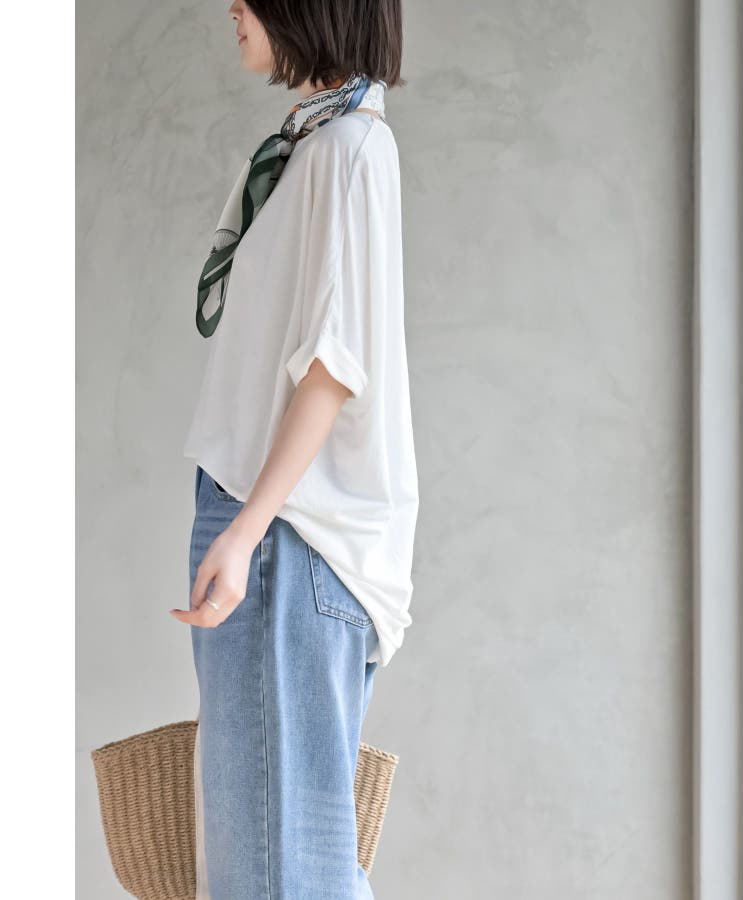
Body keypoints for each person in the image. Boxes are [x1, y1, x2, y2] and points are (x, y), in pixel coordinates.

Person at [169, 1, 418, 897]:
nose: (233, 6)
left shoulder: (351, 149)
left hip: (288, 533)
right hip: (266, 523)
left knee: (278, 875)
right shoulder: (311, 144)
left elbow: (333, 368)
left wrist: (246, 531)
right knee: (266, 870)